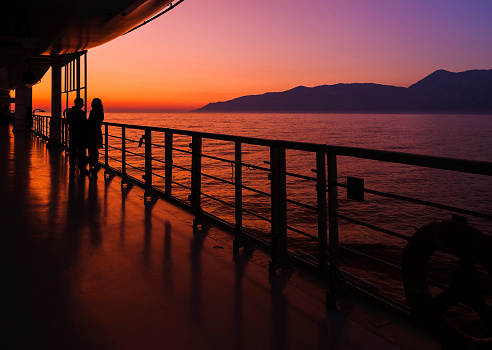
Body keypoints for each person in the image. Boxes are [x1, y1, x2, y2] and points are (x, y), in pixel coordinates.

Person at [66, 97, 88, 174]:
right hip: (78, 134)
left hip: (75, 134)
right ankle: (80, 167)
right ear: (78, 103)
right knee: (80, 151)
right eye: (82, 103)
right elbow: (85, 123)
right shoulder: (81, 113)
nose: (82, 105)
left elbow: (69, 122)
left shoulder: (70, 112)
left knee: (73, 151)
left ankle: (73, 167)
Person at [87, 98, 104, 176]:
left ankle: (91, 166)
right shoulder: (101, 112)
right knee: (96, 150)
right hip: (97, 132)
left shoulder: (93, 111)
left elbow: (90, 121)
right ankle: (96, 165)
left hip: (91, 132)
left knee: (91, 150)